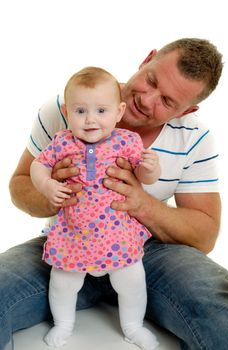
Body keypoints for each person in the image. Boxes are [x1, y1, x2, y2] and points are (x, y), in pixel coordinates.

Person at [4, 37, 228, 350]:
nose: (147, 99)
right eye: (151, 80)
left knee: (224, 313)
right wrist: (51, 191)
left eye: (167, 101)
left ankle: (134, 324)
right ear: (147, 59)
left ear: (187, 110)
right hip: (70, 239)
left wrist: (141, 204)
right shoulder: (68, 107)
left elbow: (204, 235)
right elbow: (20, 185)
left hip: (143, 247)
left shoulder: (195, 138)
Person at [30, 66, 160, 349]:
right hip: (73, 233)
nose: (90, 120)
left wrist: (151, 168)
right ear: (66, 112)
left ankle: (132, 326)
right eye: (80, 111)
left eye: (101, 111)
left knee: (132, 280)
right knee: (63, 282)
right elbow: (38, 165)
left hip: (117, 234)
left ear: (119, 111)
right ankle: (63, 324)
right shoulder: (62, 142)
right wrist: (47, 185)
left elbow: (144, 176)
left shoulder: (127, 142)